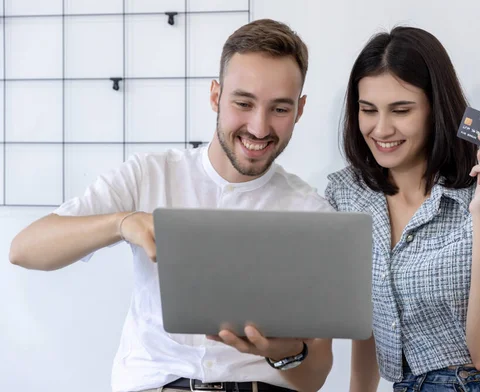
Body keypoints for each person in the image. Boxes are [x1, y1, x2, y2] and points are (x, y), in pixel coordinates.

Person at [9, 19, 333, 392]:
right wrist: (121, 223)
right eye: (243, 103)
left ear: (300, 109)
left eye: (279, 109)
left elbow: (314, 379)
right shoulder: (150, 174)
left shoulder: (311, 213)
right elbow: (24, 250)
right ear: (215, 95)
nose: (259, 128)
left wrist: (285, 351)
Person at [325, 26, 480, 391]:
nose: (381, 129)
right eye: (368, 110)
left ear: (436, 109)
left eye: (401, 110)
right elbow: (368, 322)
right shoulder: (347, 195)